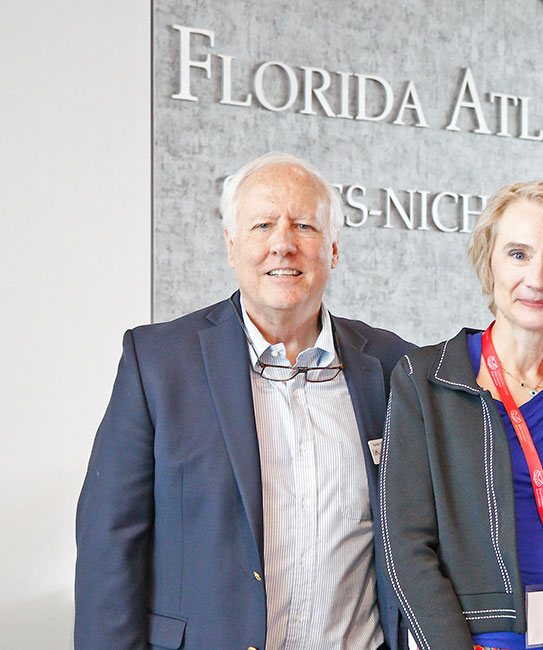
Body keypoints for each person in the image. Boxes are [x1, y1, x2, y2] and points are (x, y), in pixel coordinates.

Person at [75, 152, 414, 650]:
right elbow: (110, 545)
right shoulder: (159, 363)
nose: (283, 244)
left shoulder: (390, 365)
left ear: (335, 248)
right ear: (231, 247)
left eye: (304, 225)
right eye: (261, 225)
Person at [379, 181, 543, 650]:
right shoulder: (426, 380)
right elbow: (405, 543)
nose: (537, 278)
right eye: (518, 254)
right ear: (489, 262)